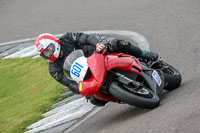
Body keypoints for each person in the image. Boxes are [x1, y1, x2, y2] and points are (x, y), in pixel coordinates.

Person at [34, 32, 158, 106]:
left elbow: (87, 38)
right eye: (45, 54)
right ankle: (124, 96)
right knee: (95, 100)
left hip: (98, 54)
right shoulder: (53, 70)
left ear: (54, 43)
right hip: (88, 75)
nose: (49, 54)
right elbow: (69, 84)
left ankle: (143, 54)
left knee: (117, 43)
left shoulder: (67, 38)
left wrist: (98, 44)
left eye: (49, 50)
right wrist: (83, 90)